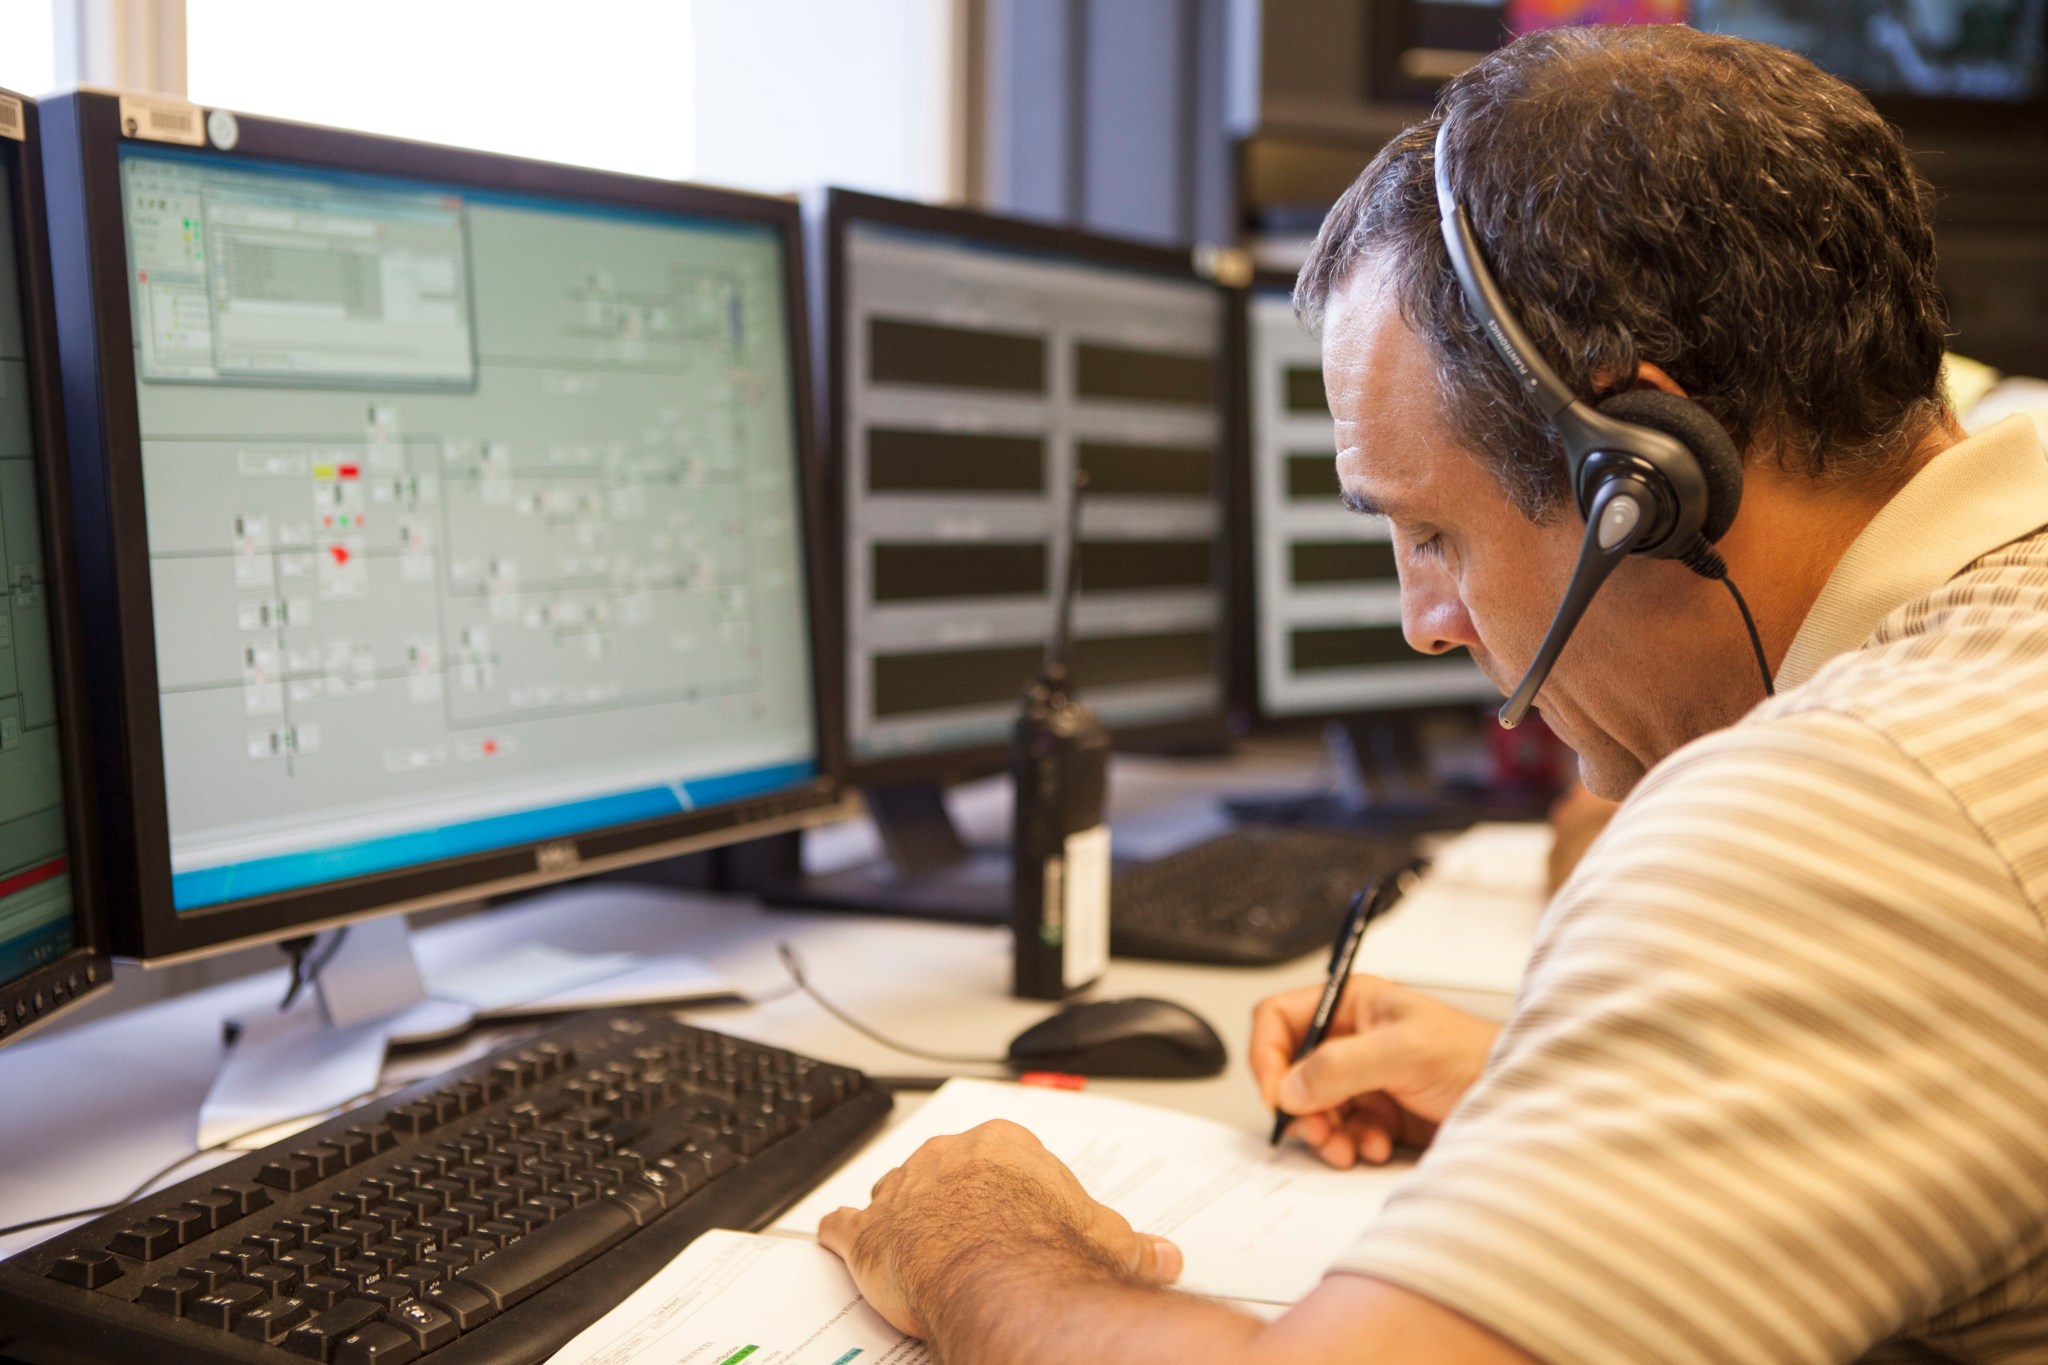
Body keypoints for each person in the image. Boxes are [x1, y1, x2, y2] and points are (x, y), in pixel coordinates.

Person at [817, 24, 2048, 1363]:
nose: (1424, 622)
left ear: (1639, 477)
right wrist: (1592, 1092)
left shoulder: (1853, 807)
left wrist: (980, 1242)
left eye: (1430, 535)